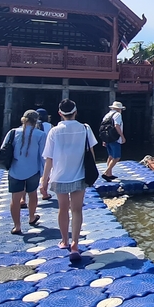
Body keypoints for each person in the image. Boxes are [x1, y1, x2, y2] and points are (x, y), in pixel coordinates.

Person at [40, 99, 97, 261]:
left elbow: (49, 159)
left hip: (59, 176)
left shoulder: (54, 131)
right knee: (77, 210)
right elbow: (91, 153)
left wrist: (44, 181)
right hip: (79, 174)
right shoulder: (85, 128)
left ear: (60, 114)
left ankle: (64, 240)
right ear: (75, 112)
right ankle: (75, 244)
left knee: (62, 209)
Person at [3, 110, 46, 235]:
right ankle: (32, 217)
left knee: (15, 199)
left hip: (15, 169)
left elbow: (4, 148)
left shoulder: (13, 132)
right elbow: (43, 155)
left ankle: (17, 226)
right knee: (32, 194)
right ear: (36, 121)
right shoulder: (40, 134)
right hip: (33, 170)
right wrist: (44, 174)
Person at [100, 101, 126, 181]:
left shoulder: (107, 115)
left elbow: (103, 127)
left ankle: (109, 174)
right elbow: (116, 126)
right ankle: (106, 172)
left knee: (110, 156)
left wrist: (104, 139)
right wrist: (122, 136)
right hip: (114, 138)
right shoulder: (118, 115)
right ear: (119, 109)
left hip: (107, 138)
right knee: (117, 157)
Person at [34, 108, 54, 199]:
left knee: (30, 175)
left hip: (33, 152)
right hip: (47, 151)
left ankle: (23, 199)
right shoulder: (50, 126)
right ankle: (44, 192)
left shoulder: (31, 125)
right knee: (47, 172)